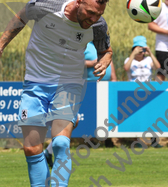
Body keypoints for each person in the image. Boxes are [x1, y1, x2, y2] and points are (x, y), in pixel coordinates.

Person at [0, 0, 112, 187]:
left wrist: (106, 59)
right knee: (32, 148)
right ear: (78, 2)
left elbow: (105, 49)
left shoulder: (98, 25)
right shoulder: (43, 6)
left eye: (98, 14)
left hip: (69, 84)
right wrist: (0, 46)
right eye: (89, 12)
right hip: (35, 84)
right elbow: (19, 19)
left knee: (61, 144)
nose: (93, 19)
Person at [44, 40, 116, 168]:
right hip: (81, 87)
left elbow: (108, 57)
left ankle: (49, 152)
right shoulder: (79, 42)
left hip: (99, 88)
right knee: (71, 120)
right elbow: (70, 63)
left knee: (74, 120)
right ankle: (48, 153)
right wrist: (93, 63)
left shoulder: (99, 44)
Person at [124, 36, 162, 148]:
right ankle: (136, 141)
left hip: (148, 91)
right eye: (138, 48)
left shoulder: (148, 60)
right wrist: (133, 55)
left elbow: (158, 67)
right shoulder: (129, 60)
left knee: (152, 116)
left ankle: (154, 140)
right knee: (136, 116)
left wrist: (150, 53)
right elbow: (126, 68)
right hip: (134, 91)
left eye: (142, 49)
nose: (140, 51)